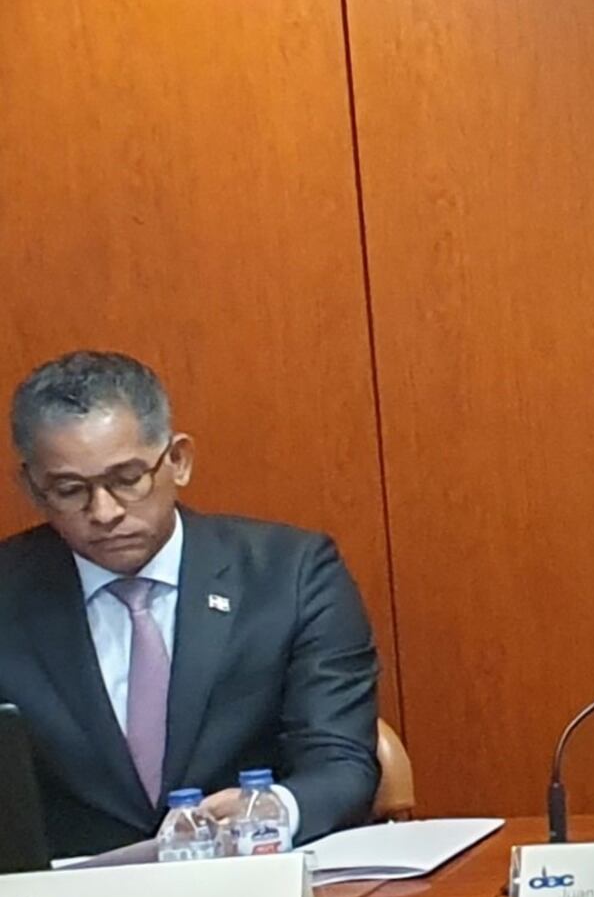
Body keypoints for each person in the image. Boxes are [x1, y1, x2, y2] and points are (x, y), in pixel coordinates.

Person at [0, 352, 381, 858]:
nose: (105, 512)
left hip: (250, 881)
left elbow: (341, 761)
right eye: (70, 491)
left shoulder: (290, 574)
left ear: (178, 460)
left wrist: (269, 812)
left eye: (127, 479)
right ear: (31, 488)